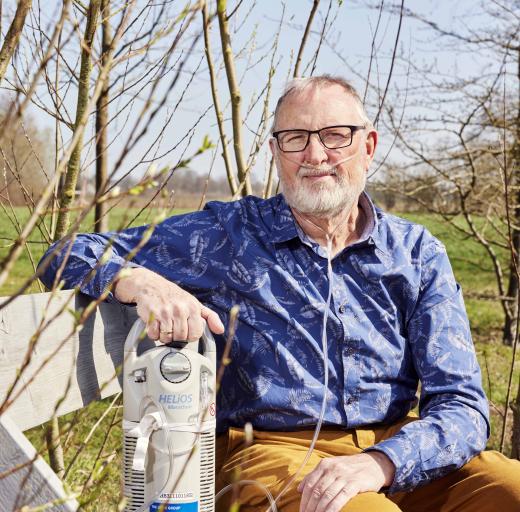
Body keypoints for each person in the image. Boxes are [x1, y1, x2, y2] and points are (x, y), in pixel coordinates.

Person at [38, 75, 520, 512]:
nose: (315, 156)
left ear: (368, 147)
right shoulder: (228, 235)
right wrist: (137, 280)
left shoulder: (415, 254)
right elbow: (66, 253)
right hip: (273, 454)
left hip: (397, 453)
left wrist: (381, 462)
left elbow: (461, 405)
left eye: (335, 136)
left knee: (509, 488)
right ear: (275, 150)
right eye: (296, 138)